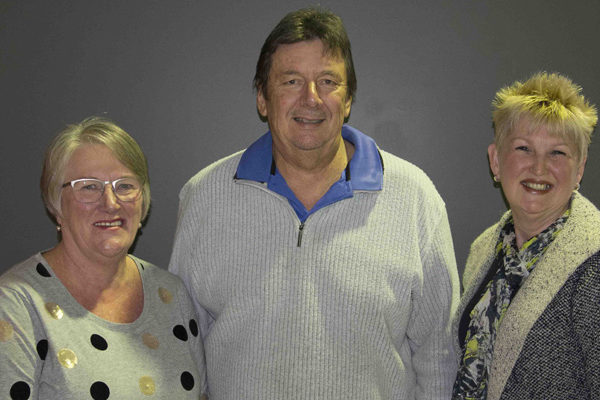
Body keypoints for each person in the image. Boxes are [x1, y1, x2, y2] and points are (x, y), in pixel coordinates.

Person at [169, 7, 459, 399]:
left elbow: (440, 357)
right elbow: (184, 352)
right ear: (262, 98)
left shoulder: (414, 199)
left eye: (328, 82)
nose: (311, 99)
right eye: (291, 81)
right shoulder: (205, 197)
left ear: (348, 99)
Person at [0, 117, 206, 399]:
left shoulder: (171, 295)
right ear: (56, 203)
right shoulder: (15, 306)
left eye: (125, 186)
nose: (110, 202)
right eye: (89, 187)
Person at [452, 72, 600, 400]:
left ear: (579, 169)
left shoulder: (594, 263)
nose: (539, 168)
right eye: (524, 148)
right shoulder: (485, 249)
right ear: (496, 160)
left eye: (557, 153)